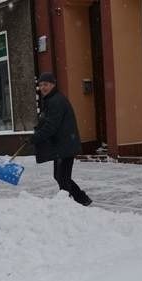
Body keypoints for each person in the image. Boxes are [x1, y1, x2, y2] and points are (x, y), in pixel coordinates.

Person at [29, 72, 92, 206]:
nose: (43, 87)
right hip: (63, 145)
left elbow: (51, 126)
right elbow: (47, 122)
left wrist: (35, 138)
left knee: (62, 177)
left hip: (65, 145)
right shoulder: (51, 99)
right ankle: (82, 199)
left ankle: (69, 204)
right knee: (61, 176)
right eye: (40, 85)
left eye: (46, 84)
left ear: (53, 84)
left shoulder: (56, 101)